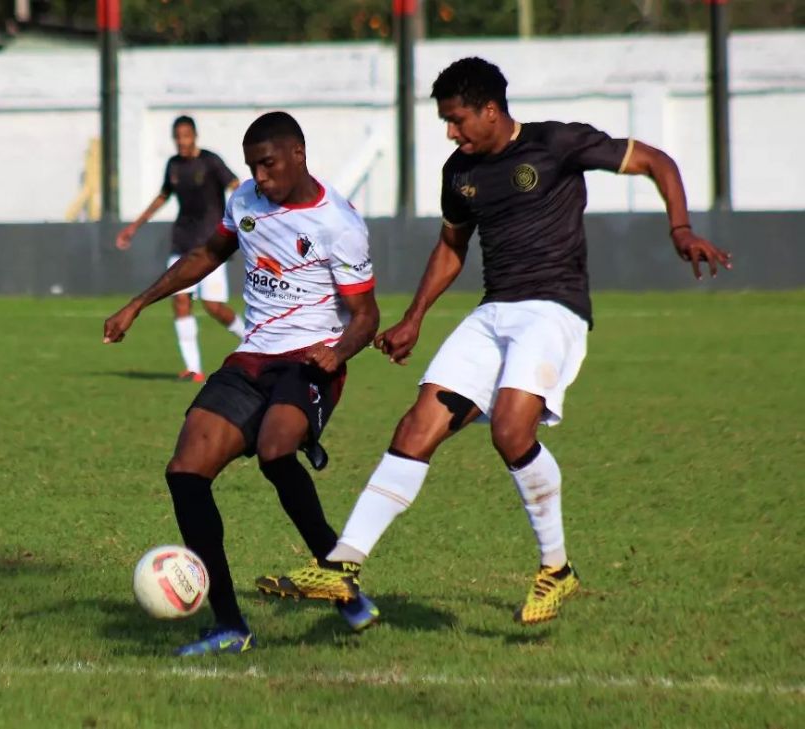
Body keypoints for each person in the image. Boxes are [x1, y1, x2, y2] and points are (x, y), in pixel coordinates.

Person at [257, 57, 732, 625]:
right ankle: (343, 564)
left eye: (457, 120)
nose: (451, 133)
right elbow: (452, 246)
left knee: (511, 430)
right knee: (415, 427)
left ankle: (556, 569)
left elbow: (656, 160)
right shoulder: (459, 171)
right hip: (494, 311)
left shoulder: (556, 144)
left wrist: (679, 228)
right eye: (445, 123)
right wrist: (413, 318)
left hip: (553, 310)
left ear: (490, 109)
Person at [103, 111, 381, 656]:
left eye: (269, 164)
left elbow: (366, 316)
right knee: (185, 472)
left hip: (309, 361)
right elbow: (207, 256)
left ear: (298, 154)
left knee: (277, 451)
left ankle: (340, 578)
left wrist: (339, 350)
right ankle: (230, 623)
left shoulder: (338, 222)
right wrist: (137, 304)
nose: (260, 175)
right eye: (253, 165)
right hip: (253, 358)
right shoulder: (246, 201)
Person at [116, 115, 244, 382]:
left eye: (186, 136)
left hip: (211, 246)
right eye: (178, 137)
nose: (182, 142)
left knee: (214, 306)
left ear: (194, 136)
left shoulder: (211, 161)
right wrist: (134, 226)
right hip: (182, 242)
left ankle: (251, 339)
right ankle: (194, 368)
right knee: (180, 300)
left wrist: (250, 211)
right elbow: (163, 196)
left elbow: (236, 185)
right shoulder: (173, 166)